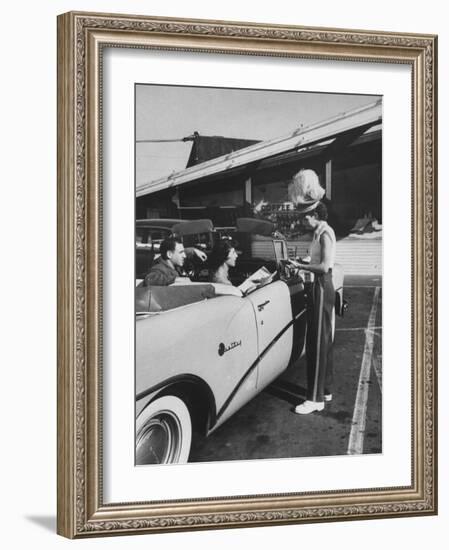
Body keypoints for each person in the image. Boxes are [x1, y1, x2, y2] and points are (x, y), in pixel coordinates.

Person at [292, 200, 336, 414]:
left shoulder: (325, 233)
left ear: (316, 214)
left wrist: (300, 266)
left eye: (306, 216)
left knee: (316, 342)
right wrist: (305, 260)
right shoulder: (320, 232)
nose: (304, 220)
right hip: (322, 284)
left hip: (321, 284)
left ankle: (315, 399)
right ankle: (325, 390)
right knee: (323, 339)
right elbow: (317, 258)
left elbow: (324, 266)